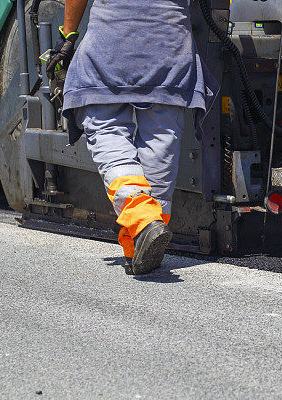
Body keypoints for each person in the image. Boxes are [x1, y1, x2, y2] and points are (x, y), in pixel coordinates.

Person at [45, 0, 217, 275]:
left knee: (107, 130)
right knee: (161, 141)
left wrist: (68, 37)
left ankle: (142, 219)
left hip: (110, 45)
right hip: (169, 46)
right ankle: (139, 243)